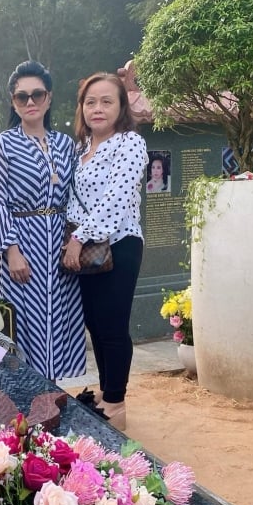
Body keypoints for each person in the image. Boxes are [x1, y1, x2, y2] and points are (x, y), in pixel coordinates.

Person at [0, 60, 86, 381]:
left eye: (37, 95)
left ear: (49, 99)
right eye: (21, 97)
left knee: (61, 317)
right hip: (22, 243)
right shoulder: (3, 145)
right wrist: (11, 252)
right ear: (13, 102)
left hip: (60, 244)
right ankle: (24, 398)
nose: (30, 102)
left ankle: (54, 394)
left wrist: (75, 241)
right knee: (24, 320)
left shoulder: (66, 144)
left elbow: (77, 198)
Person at [62, 72, 148, 429]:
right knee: (95, 324)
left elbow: (117, 199)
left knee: (112, 325)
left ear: (121, 107)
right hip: (87, 247)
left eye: (106, 101)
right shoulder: (81, 150)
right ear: (81, 108)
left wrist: (79, 238)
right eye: (90, 102)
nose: (97, 109)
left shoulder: (129, 143)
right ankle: (106, 391)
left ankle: (116, 403)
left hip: (119, 244)